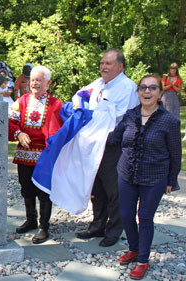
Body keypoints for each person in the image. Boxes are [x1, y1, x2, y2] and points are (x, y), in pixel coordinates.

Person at [110, 74, 181, 280]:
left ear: (160, 93)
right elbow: (114, 137)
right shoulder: (130, 115)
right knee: (125, 215)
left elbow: (175, 153)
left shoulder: (170, 121)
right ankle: (133, 248)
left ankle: (143, 260)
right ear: (138, 91)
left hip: (154, 177)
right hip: (126, 174)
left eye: (152, 88)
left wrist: (171, 180)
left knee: (146, 218)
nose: (147, 91)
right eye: (143, 87)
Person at [75, 49, 139, 247]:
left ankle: (114, 230)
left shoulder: (128, 87)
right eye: (102, 63)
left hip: (113, 145)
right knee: (97, 188)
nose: (103, 66)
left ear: (120, 66)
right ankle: (97, 225)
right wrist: (80, 107)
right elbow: (79, 94)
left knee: (114, 190)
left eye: (108, 63)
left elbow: (125, 118)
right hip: (94, 144)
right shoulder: (99, 83)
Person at [8, 66, 63, 244]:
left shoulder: (56, 104)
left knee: (44, 191)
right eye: (32, 80)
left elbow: (63, 129)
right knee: (26, 188)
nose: (34, 83)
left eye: (38, 80)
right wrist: (18, 133)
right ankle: (31, 219)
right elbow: (10, 122)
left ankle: (43, 226)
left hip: (45, 156)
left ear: (48, 83)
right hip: (24, 154)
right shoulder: (22, 101)